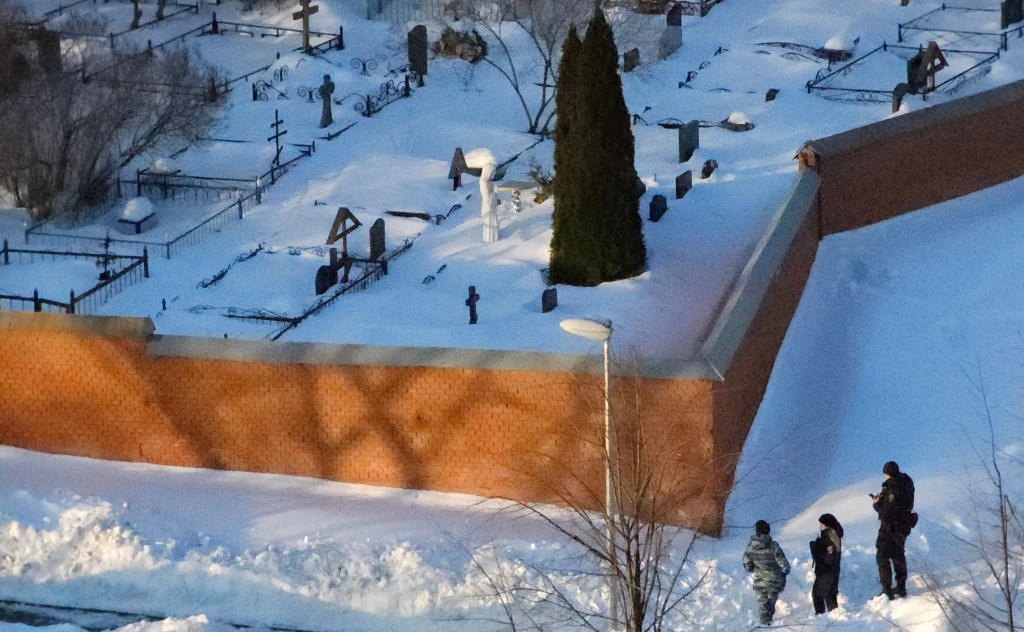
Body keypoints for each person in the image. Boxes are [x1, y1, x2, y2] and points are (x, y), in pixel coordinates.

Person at [871, 460, 915, 599]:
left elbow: (887, 512)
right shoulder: (906, 483)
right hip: (903, 525)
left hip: (890, 527)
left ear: (887, 474)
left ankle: (887, 590)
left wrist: (876, 504)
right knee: (898, 555)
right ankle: (901, 588)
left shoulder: (893, 487)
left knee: (882, 556)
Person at [743, 519, 791, 626]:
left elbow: (747, 565)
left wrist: (754, 569)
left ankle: (765, 624)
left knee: (762, 605)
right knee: (771, 604)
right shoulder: (774, 546)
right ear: (767, 530)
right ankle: (769, 621)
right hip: (775, 581)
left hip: (760, 581)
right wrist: (784, 573)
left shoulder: (750, 548)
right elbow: (784, 565)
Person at [810, 513, 843, 614]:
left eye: (822, 524)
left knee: (817, 594)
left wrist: (815, 549)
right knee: (830, 595)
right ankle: (834, 617)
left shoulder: (830, 539)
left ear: (828, 526)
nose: (820, 526)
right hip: (831, 572)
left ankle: (821, 617)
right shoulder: (832, 536)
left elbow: (828, 558)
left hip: (826, 572)